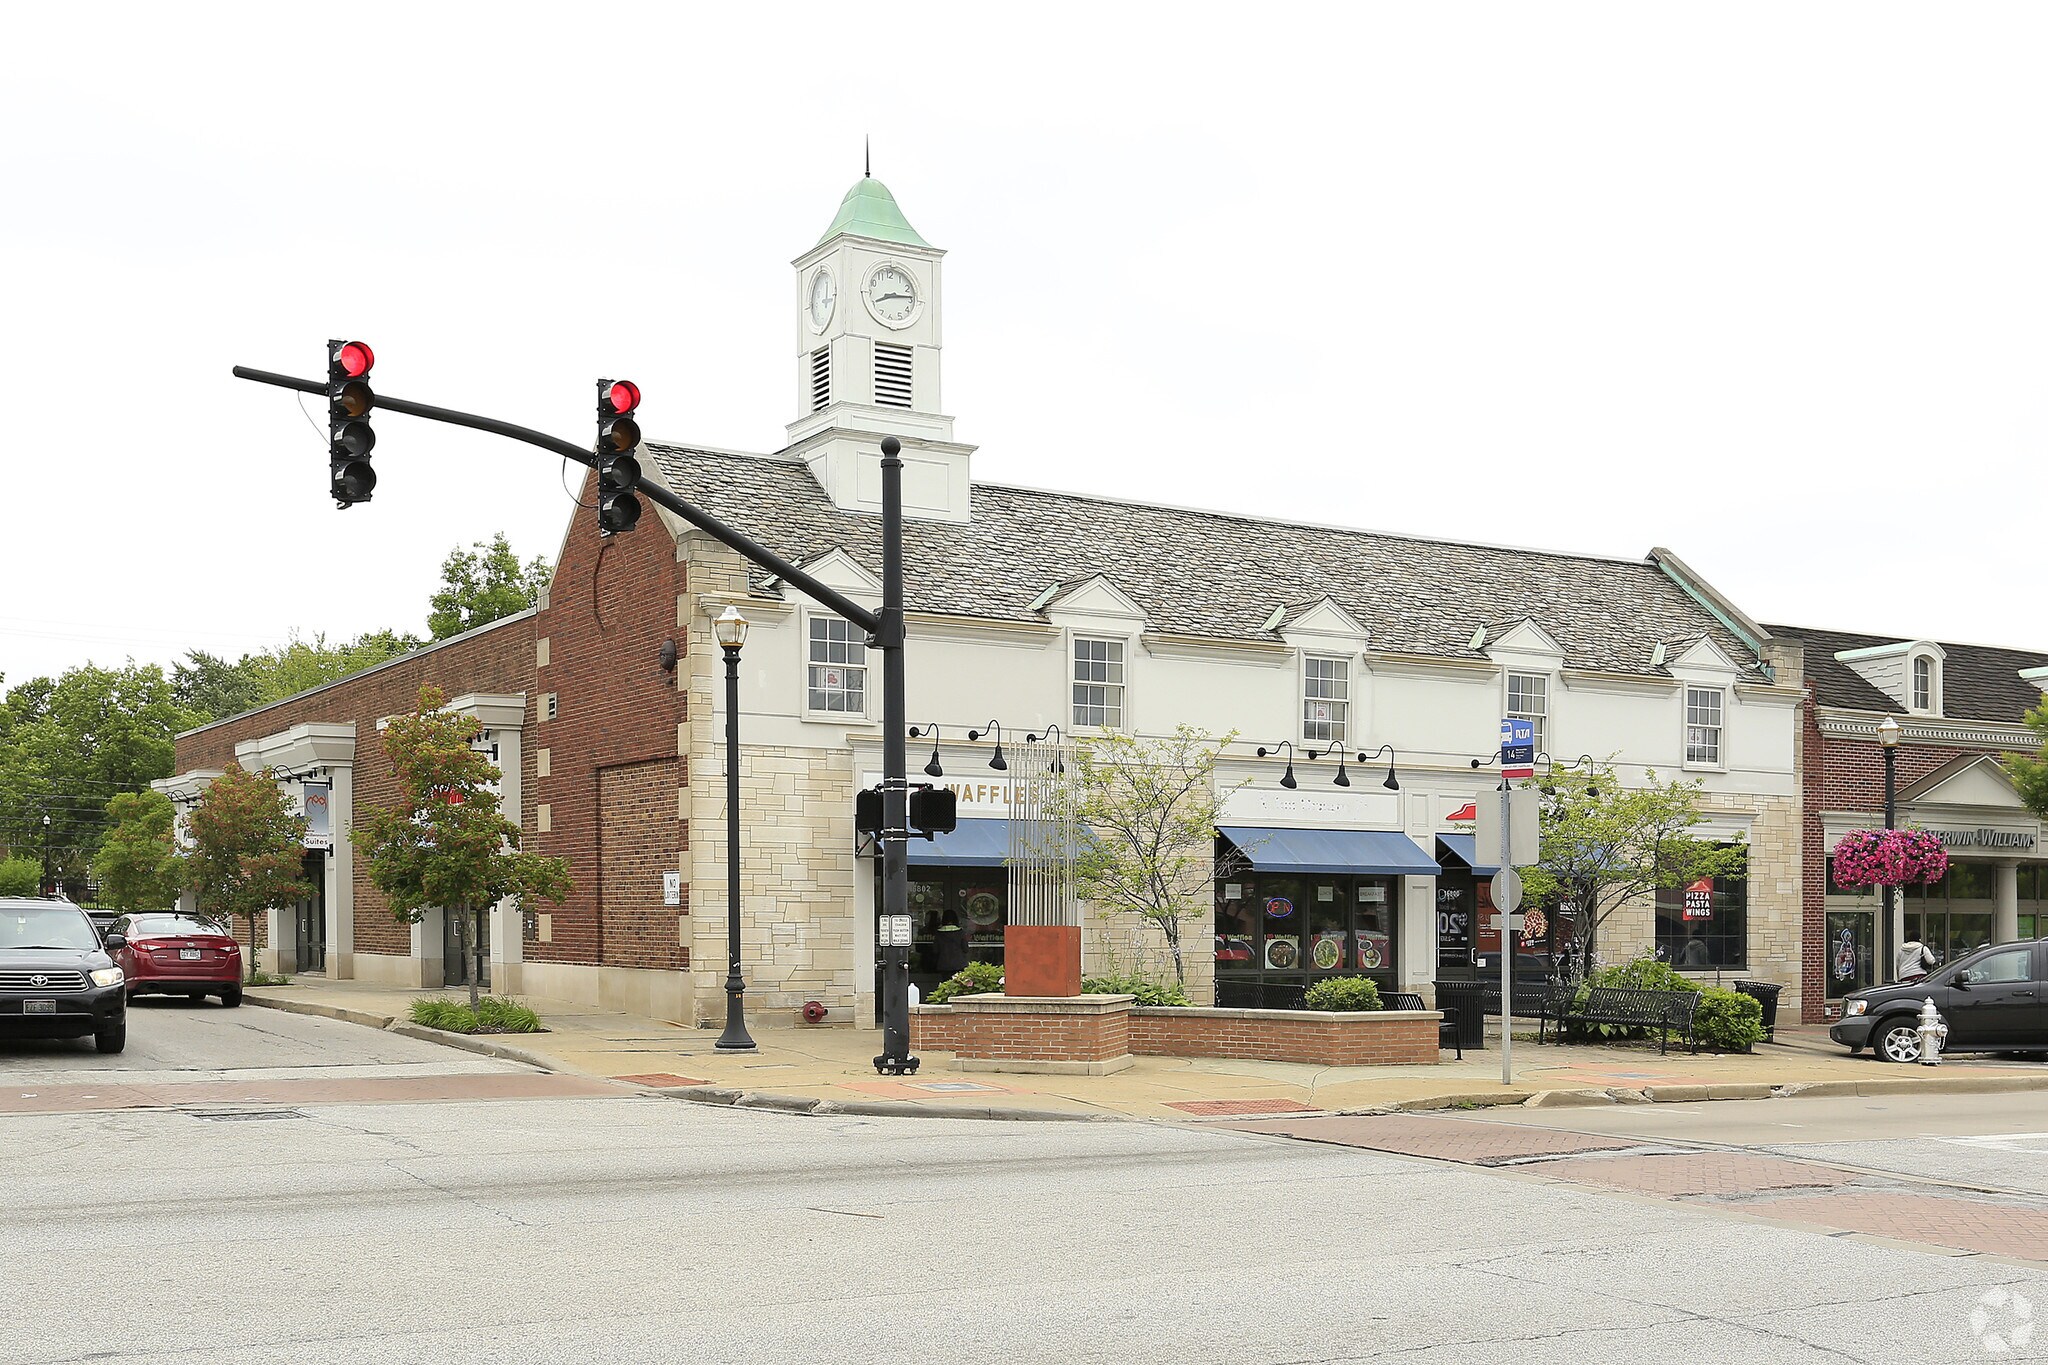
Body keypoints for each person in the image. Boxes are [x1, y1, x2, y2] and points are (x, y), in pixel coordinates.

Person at [931, 907, 971, 979]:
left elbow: (935, 950)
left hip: (944, 965)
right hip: (959, 964)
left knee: (946, 985)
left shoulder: (938, 933)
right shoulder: (961, 932)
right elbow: (965, 949)